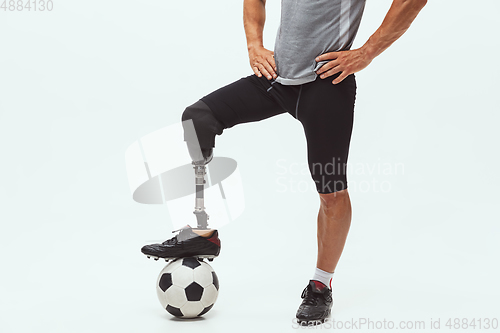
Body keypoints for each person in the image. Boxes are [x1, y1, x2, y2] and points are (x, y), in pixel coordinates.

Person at [141, 0, 427, 325]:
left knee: (331, 191)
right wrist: (254, 45)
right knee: (199, 118)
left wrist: (367, 51)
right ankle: (202, 231)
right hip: (276, 79)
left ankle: (321, 285)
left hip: (326, 84)